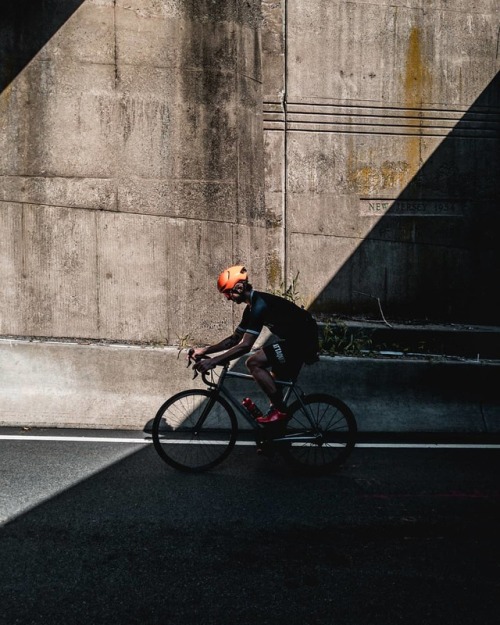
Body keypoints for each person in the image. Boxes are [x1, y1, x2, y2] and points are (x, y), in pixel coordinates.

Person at [190, 265, 319, 424]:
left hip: (303, 341)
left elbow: (245, 346)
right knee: (274, 383)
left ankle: (280, 412)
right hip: (295, 340)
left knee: (253, 362)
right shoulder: (250, 309)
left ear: (239, 287)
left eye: (227, 292)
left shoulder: (260, 305)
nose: (228, 298)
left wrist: (213, 361)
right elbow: (234, 340)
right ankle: (276, 429)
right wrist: (204, 350)